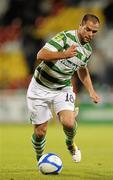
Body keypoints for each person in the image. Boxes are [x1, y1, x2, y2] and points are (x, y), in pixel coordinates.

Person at [27, 14, 101, 163]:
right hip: (40, 87)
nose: (90, 34)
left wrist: (91, 91)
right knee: (40, 132)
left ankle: (70, 143)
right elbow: (40, 55)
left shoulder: (87, 50)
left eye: (94, 32)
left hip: (63, 88)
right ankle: (39, 157)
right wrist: (64, 54)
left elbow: (82, 69)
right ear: (80, 25)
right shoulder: (65, 38)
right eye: (88, 29)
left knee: (68, 122)